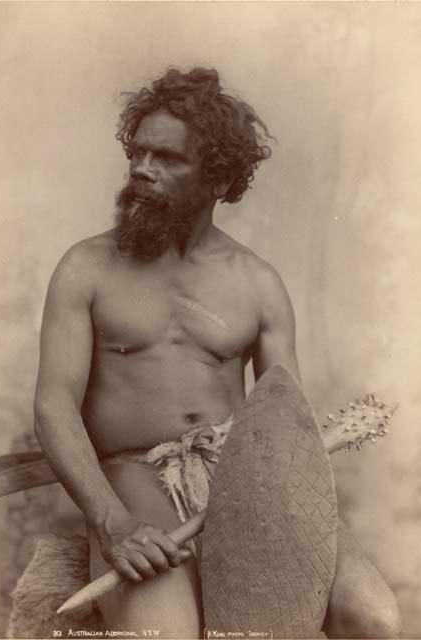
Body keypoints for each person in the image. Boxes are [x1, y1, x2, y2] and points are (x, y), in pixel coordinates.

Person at [33, 67, 400, 639]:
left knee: (373, 617)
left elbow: (287, 426)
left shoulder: (258, 283)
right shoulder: (85, 267)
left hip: (245, 479)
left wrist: (283, 511)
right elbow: (55, 404)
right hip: (134, 477)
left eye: (167, 159)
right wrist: (113, 524)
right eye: (138, 151)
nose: (141, 170)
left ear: (218, 178)